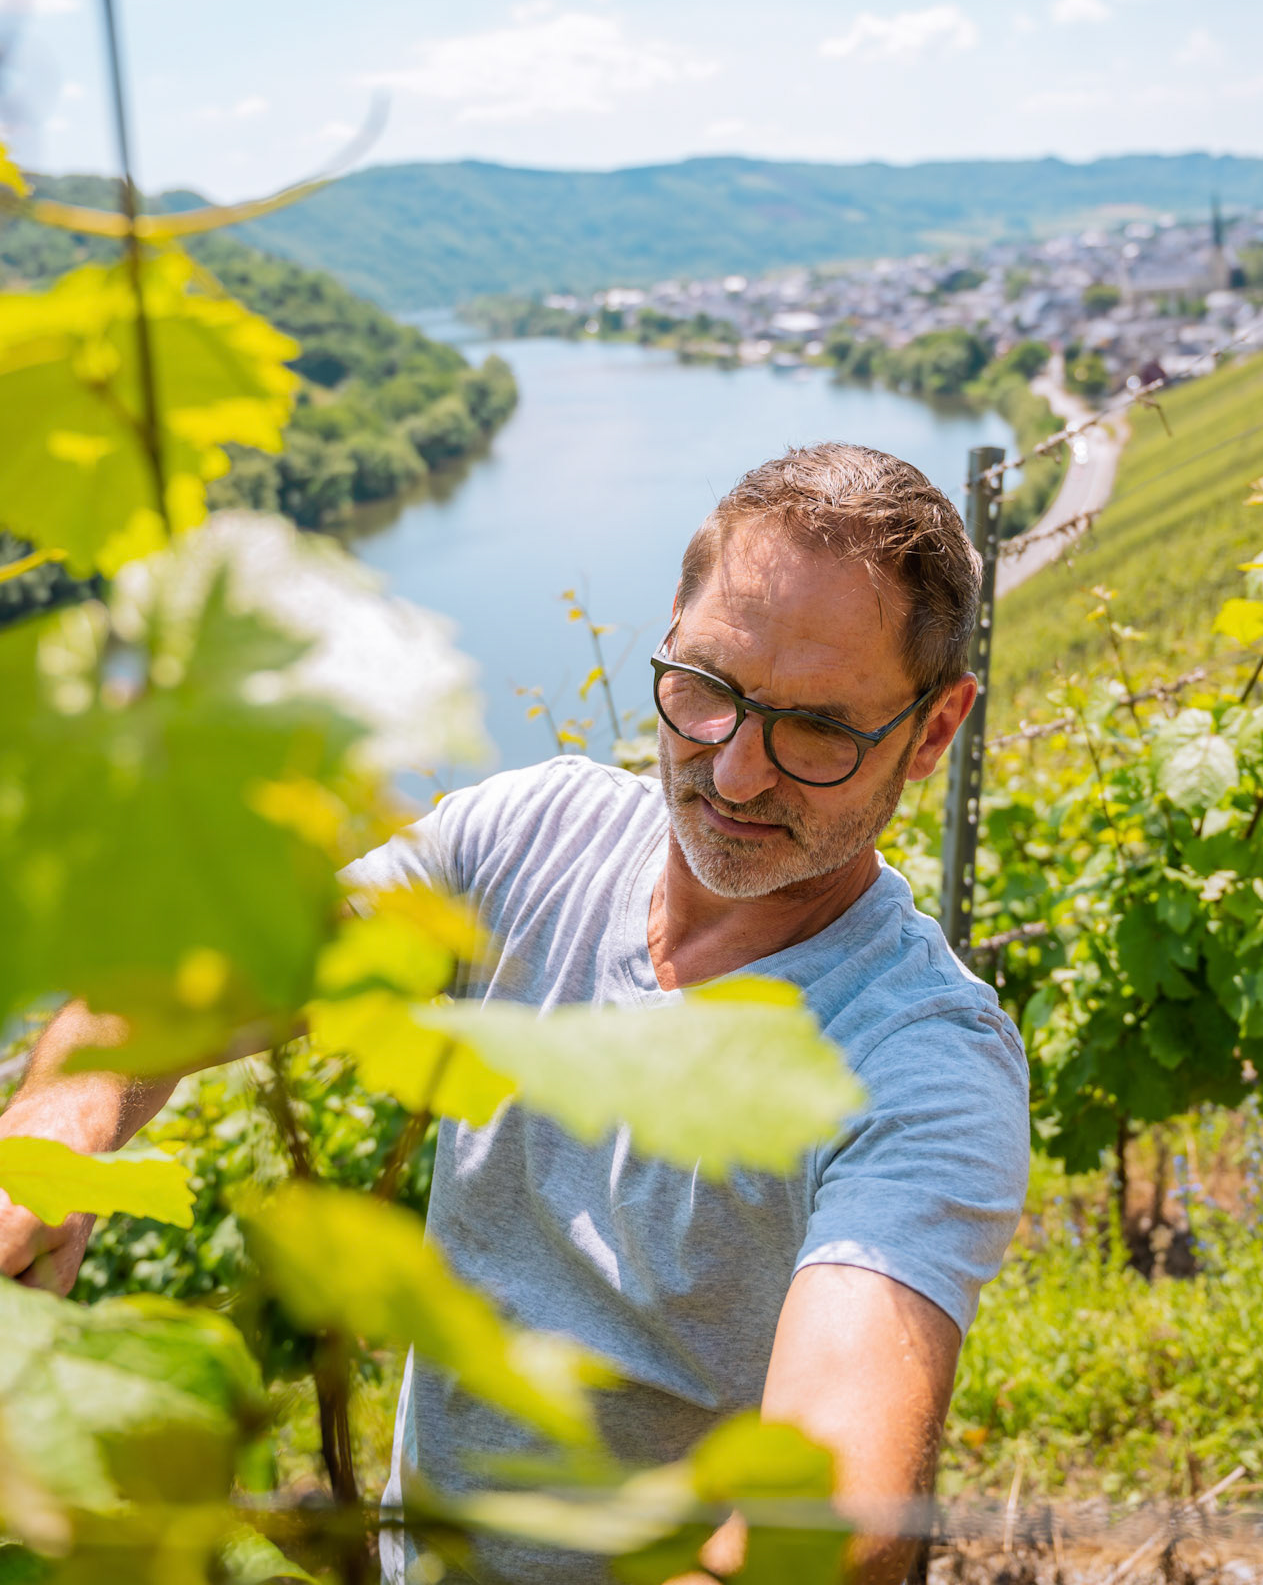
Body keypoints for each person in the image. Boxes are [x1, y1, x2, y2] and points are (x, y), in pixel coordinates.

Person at [0, 443, 1030, 1585]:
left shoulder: (921, 1064)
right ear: (670, 630)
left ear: (934, 732)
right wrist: (60, 1119)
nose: (736, 773)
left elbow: (837, 1516)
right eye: (705, 687)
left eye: (819, 730)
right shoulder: (532, 835)